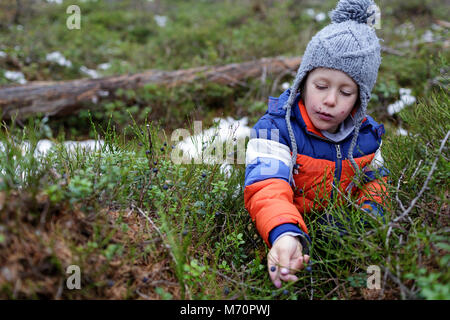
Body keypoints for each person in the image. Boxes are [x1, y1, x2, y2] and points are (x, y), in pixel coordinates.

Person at [244, 0, 389, 289]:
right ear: (303, 81)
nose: (330, 100)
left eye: (345, 91)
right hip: (286, 232)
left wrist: (366, 220)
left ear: (359, 100)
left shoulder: (367, 137)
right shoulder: (275, 130)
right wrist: (284, 233)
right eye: (321, 86)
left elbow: (376, 182)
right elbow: (267, 186)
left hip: (342, 241)